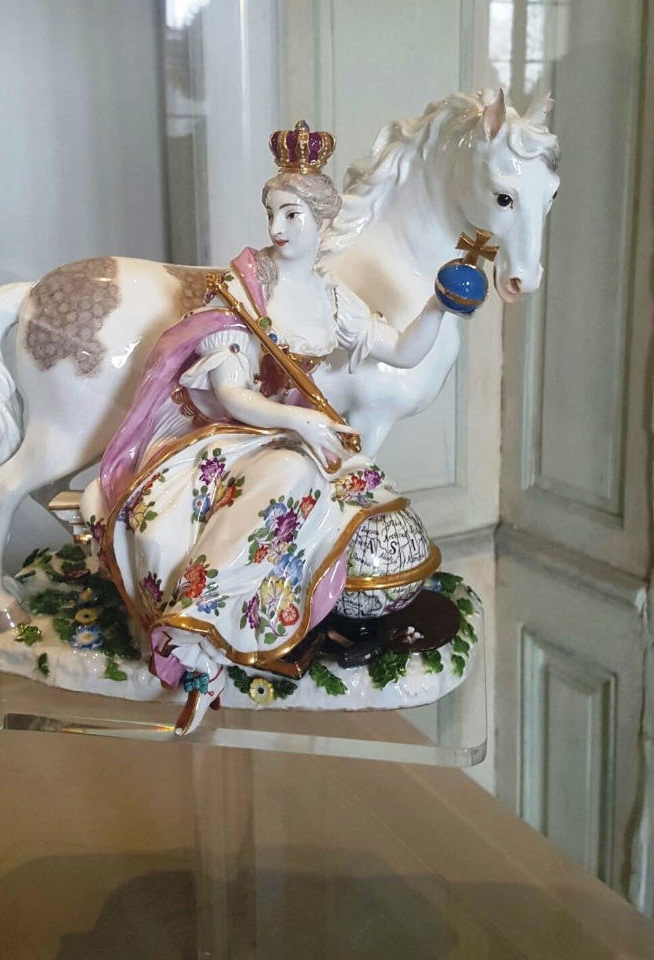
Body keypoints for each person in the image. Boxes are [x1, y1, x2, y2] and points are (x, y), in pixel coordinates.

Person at [96, 121, 450, 734]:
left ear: (322, 221)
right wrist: (300, 421)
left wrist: (442, 306)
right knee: (291, 472)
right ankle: (197, 625)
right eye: (272, 214)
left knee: (355, 497)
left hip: (301, 435)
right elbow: (232, 394)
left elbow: (401, 350)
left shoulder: (334, 299)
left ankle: (296, 623)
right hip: (243, 435)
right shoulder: (244, 291)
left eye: (291, 215)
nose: (277, 228)